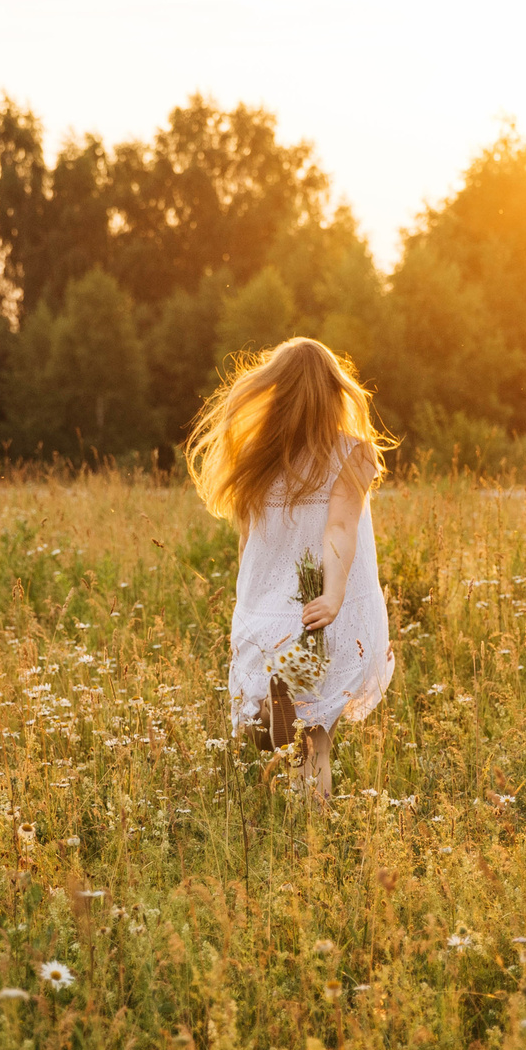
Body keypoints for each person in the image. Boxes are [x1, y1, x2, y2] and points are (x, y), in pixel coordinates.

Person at [184, 337, 395, 806]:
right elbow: (340, 527)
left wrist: (247, 608)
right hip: (325, 615)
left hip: (267, 614)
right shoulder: (354, 452)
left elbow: (247, 542)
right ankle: (312, 827)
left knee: (281, 728)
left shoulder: (256, 455)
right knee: (315, 740)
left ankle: (271, 719)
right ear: (334, 393)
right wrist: (333, 596)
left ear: (275, 392)